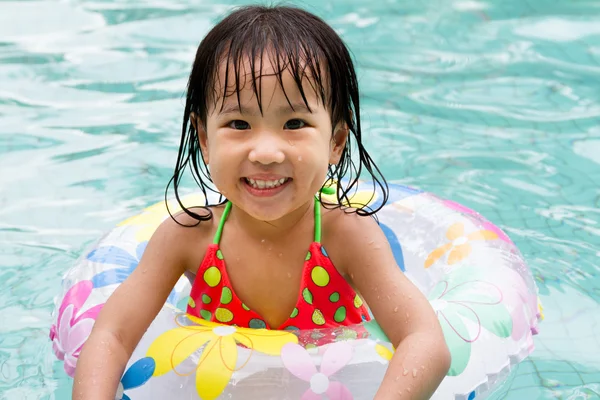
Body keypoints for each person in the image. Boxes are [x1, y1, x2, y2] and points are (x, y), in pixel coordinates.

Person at [73, 5, 450, 399]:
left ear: (335, 142)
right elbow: (112, 336)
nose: (266, 152)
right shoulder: (186, 238)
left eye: (294, 124)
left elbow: (425, 341)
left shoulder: (347, 236)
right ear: (204, 137)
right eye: (238, 124)